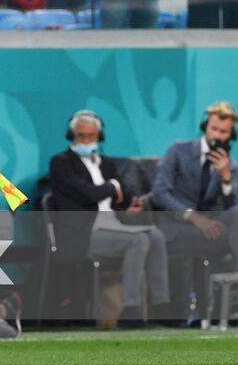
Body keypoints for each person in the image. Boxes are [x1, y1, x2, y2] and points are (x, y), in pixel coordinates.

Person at [48, 109, 170, 326]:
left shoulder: (106, 164)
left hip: (113, 225)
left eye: (91, 136)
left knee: (156, 236)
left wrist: (129, 204)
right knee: (139, 240)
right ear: (72, 136)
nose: (86, 140)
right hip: (84, 234)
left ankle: (162, 306)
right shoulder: (60, 163)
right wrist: (113, 186)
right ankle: (130, 309)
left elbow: (118, 198)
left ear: (99, 137)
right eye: (81, 136)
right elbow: (90, 193)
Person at [151, 100, 238, 272]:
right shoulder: (178, 151)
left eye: (224, 132)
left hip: (210, 225)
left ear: (231, 135)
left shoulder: (231, 165)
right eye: (214, 129)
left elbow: (232, 207)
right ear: (205, 126)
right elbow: (159, 194)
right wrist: (193, 217)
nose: (217, 136)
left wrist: (226, 179)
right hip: (178, 227)